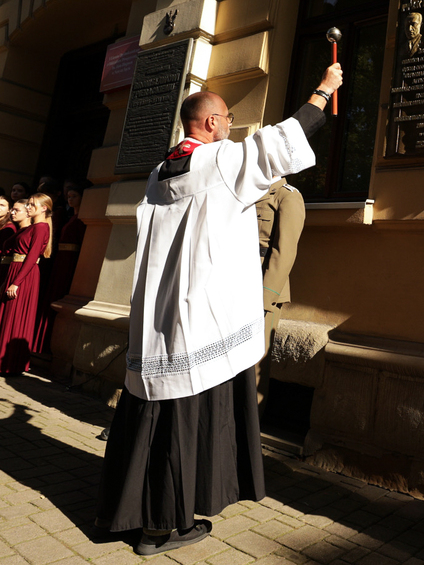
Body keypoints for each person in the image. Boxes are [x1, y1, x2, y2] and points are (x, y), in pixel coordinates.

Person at [95, 63, 343, 555]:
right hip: (202, 320)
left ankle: (128, 513)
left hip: (160, 321)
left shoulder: (159, 172)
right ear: (208, 123)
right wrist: (325, 89)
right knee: (185, 419)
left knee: (152, 411)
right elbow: (282, 140)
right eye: (227, 118)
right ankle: (162, 527)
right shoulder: (219, 162)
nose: (232, 126)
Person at [254, 177, 306, 414]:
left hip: (262, 288)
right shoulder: (250, 191)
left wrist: (265, 297)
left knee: (255, 363)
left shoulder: (287, 196)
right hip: (236, 286)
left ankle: (249, 427)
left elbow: (284, 251)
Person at [0, 195, 52, 375]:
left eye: (32, 205)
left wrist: (16, 282)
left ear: (44, 208)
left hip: (24, 275)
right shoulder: (32, 227)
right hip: (15, 271)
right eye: (28, 204)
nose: (28, 207)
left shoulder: (41, 227)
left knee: (14, 316)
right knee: (7, 314)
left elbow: (31, 258)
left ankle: (10, 363)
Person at [35, 184, 87, 355]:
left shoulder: (82, 219)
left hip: (69, 261)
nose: (70, 199)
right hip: (61, 259)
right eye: (69, 196)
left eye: (74, 196)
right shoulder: (71, 217)